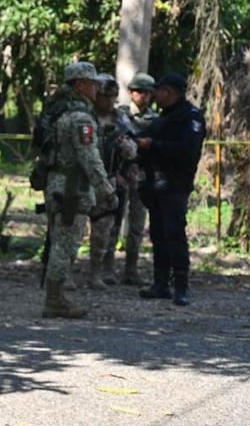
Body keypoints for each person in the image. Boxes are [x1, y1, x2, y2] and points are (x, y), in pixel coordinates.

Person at [41, 61, 117, 318]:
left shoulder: (59, 111)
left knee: (61, 241)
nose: (97, 88)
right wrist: (106, 189)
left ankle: (56, 295)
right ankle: (55, 299)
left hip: (58, 184)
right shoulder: (81, 118)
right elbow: (90, 158)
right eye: (93, 83)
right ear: (81, 84)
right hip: (72, 188)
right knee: (65, 244)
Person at [135, 72, 207, 306]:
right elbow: (148, 139)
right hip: (155, 184)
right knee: (158, 233)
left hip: (175, 185)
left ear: (170, 92)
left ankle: (181, 287)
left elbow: (187, 151)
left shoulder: (191, 117)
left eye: (160, 90)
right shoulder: (164, 118)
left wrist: (154, 145)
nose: (156, 95)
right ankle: (160, 283)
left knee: (175, 234)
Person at [89, 74, 137, 290]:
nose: (108, 101)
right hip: (84, 180)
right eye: (104, 96)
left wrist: (123, 172)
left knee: (107, 229)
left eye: (112, 97)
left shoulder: (120, 119)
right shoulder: (84, 116)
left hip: (110, 178)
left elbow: (130, 149)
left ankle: (100, 271)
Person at [116, 72, 159, 285]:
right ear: (131, 92)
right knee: (113, 220)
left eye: (146, 92)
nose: (142, 95)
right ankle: (104, 267)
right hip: (120, 174)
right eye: (138, 91)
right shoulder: (120, 115)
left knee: (137, 224)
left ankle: (130, 270)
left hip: (142, 175)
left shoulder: (155, 119)